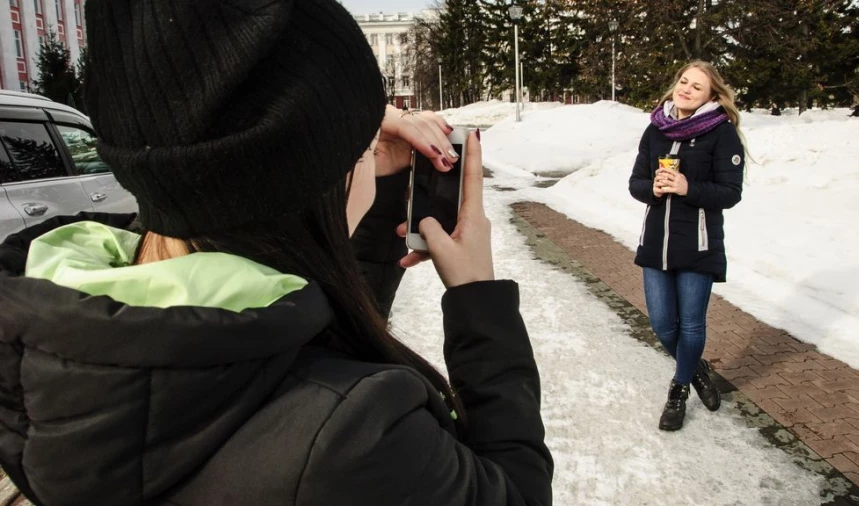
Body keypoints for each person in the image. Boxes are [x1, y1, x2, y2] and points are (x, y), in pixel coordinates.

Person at [0, 1, 553, 504]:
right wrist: (480, 300)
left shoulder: (55, 325)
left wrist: (359, 193)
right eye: (362, 144)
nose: (373, 155)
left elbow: (296, 335)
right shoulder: (352, 441)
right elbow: (514, 494)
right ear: (317, 181)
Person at [628, 61, 745, 431]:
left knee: (691, 325)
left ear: (712, 96)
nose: (687, 90)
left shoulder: (721, 133)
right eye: (684, 81)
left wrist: (686, 188)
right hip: (656, 244)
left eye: (698, 87)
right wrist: (655, 188)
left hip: (698, 244)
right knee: (663, 325)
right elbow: (636, 183)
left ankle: (678, 389)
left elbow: (730, 193)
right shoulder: (655, 129)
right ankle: (696, 368)